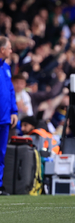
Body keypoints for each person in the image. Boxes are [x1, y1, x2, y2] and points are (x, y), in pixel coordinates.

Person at [0, 36, 18, 196]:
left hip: (5, 118)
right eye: (9, 47)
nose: (11, 50)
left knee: (1, 152)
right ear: (2, 49)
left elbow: (11, 91)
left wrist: (14, 111)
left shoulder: (6, 67)